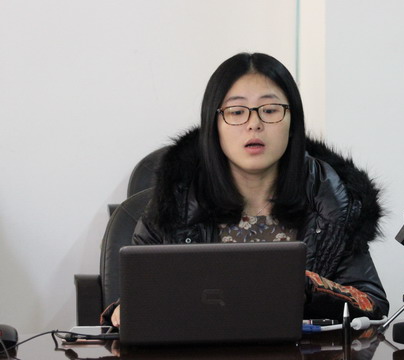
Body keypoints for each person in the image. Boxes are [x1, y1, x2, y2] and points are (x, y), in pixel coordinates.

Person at [101, 52, 389, 328]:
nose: (254, 124)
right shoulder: (176, 203)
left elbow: (371, 305)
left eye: (270, 110)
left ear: (293, 123)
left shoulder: (330, 202)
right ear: (214, 125)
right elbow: (134, 300)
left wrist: (305, 286)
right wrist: (123, 310)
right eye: (237, 112)